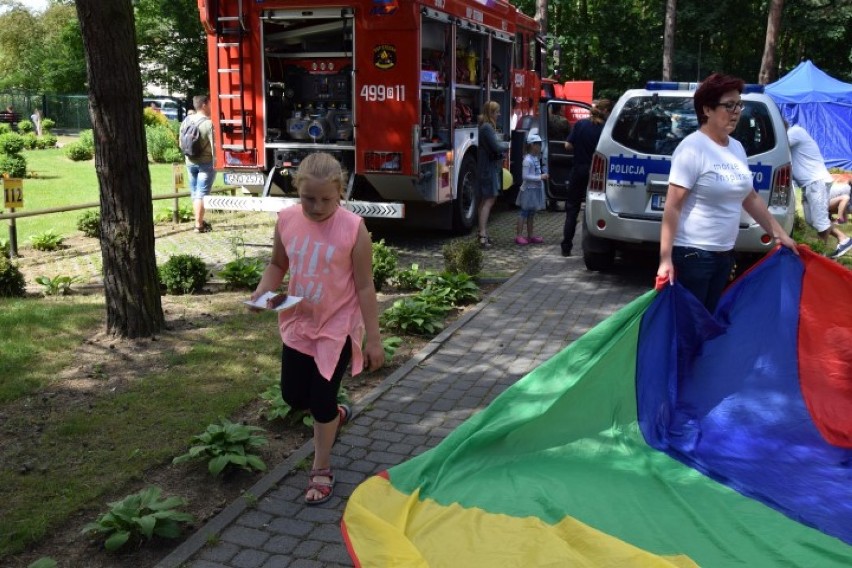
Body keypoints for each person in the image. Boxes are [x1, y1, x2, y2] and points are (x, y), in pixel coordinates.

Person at [249, 152, 385, 506]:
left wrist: (374, 339)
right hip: (298, 321)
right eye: (309, 198)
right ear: (297, 190)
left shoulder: (353, 228)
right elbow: (278, 263)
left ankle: (320, 467)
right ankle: (336, 417)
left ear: (340, 192)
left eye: (327, 199)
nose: (317, 206)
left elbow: (365, 286)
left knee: (321, 399)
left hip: (336, 328)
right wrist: (264, 292)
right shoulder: (287, 220)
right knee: (294, 397)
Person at [657, 73, 797, 312]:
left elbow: (750, 197)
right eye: (728, 105)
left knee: (710, 325)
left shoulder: (737, 147)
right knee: (689, 331)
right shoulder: (692, 148)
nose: (736, 111)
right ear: (707, 110)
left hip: (725, 256)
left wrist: (779, 234)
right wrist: (665, 259)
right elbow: (673, 206)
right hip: (694, 256)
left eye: (739, 104)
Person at [786, 122, 852, 258]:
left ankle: (820, 255)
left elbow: (778, 144)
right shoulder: (795, 133)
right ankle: (843, 238)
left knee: (821, 222)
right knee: (812, 220)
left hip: (816, 183)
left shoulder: (795, 132)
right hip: (810, 185)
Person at [560, 99, 612, 256]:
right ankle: (592, 247)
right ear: (607, 112)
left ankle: (566, 246)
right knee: (594, 209)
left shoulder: (580, 124)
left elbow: (567, 145)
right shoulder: (606, 129)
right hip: (597, 174)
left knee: (572, 209)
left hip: (578, 170)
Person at [476, 100, 510, 247]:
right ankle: (482, 234)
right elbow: (496, 147)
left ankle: (482, 233)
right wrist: (506, 145)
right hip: (488, 169)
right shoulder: (487, 128)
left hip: (487, 167)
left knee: (485, 200)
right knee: (489, 200)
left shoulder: (486, 127)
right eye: (497, 112)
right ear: (490, 113)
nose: (499, 114)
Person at [182, 95, 216, 233]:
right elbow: (215, 146)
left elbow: (181, 142)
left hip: (190, 162)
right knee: (201, 193)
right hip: (205, 163)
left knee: (195, 192)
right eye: (210, 103)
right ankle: (198, 224)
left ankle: (198, 221)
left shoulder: (186, 120)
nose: (211, 106)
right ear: (204, 105)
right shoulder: (208, 123)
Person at [515, 133, 548, 245]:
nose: (540, 146)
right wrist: (540, 177)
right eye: (538, 144)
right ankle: (519, 235)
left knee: (531, 213)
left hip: (534, 190)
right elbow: (525, 177)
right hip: (528, 190)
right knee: (524, 212)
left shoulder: (534, 158)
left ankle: (530, 236)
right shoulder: (528, 160)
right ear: (532, 145)